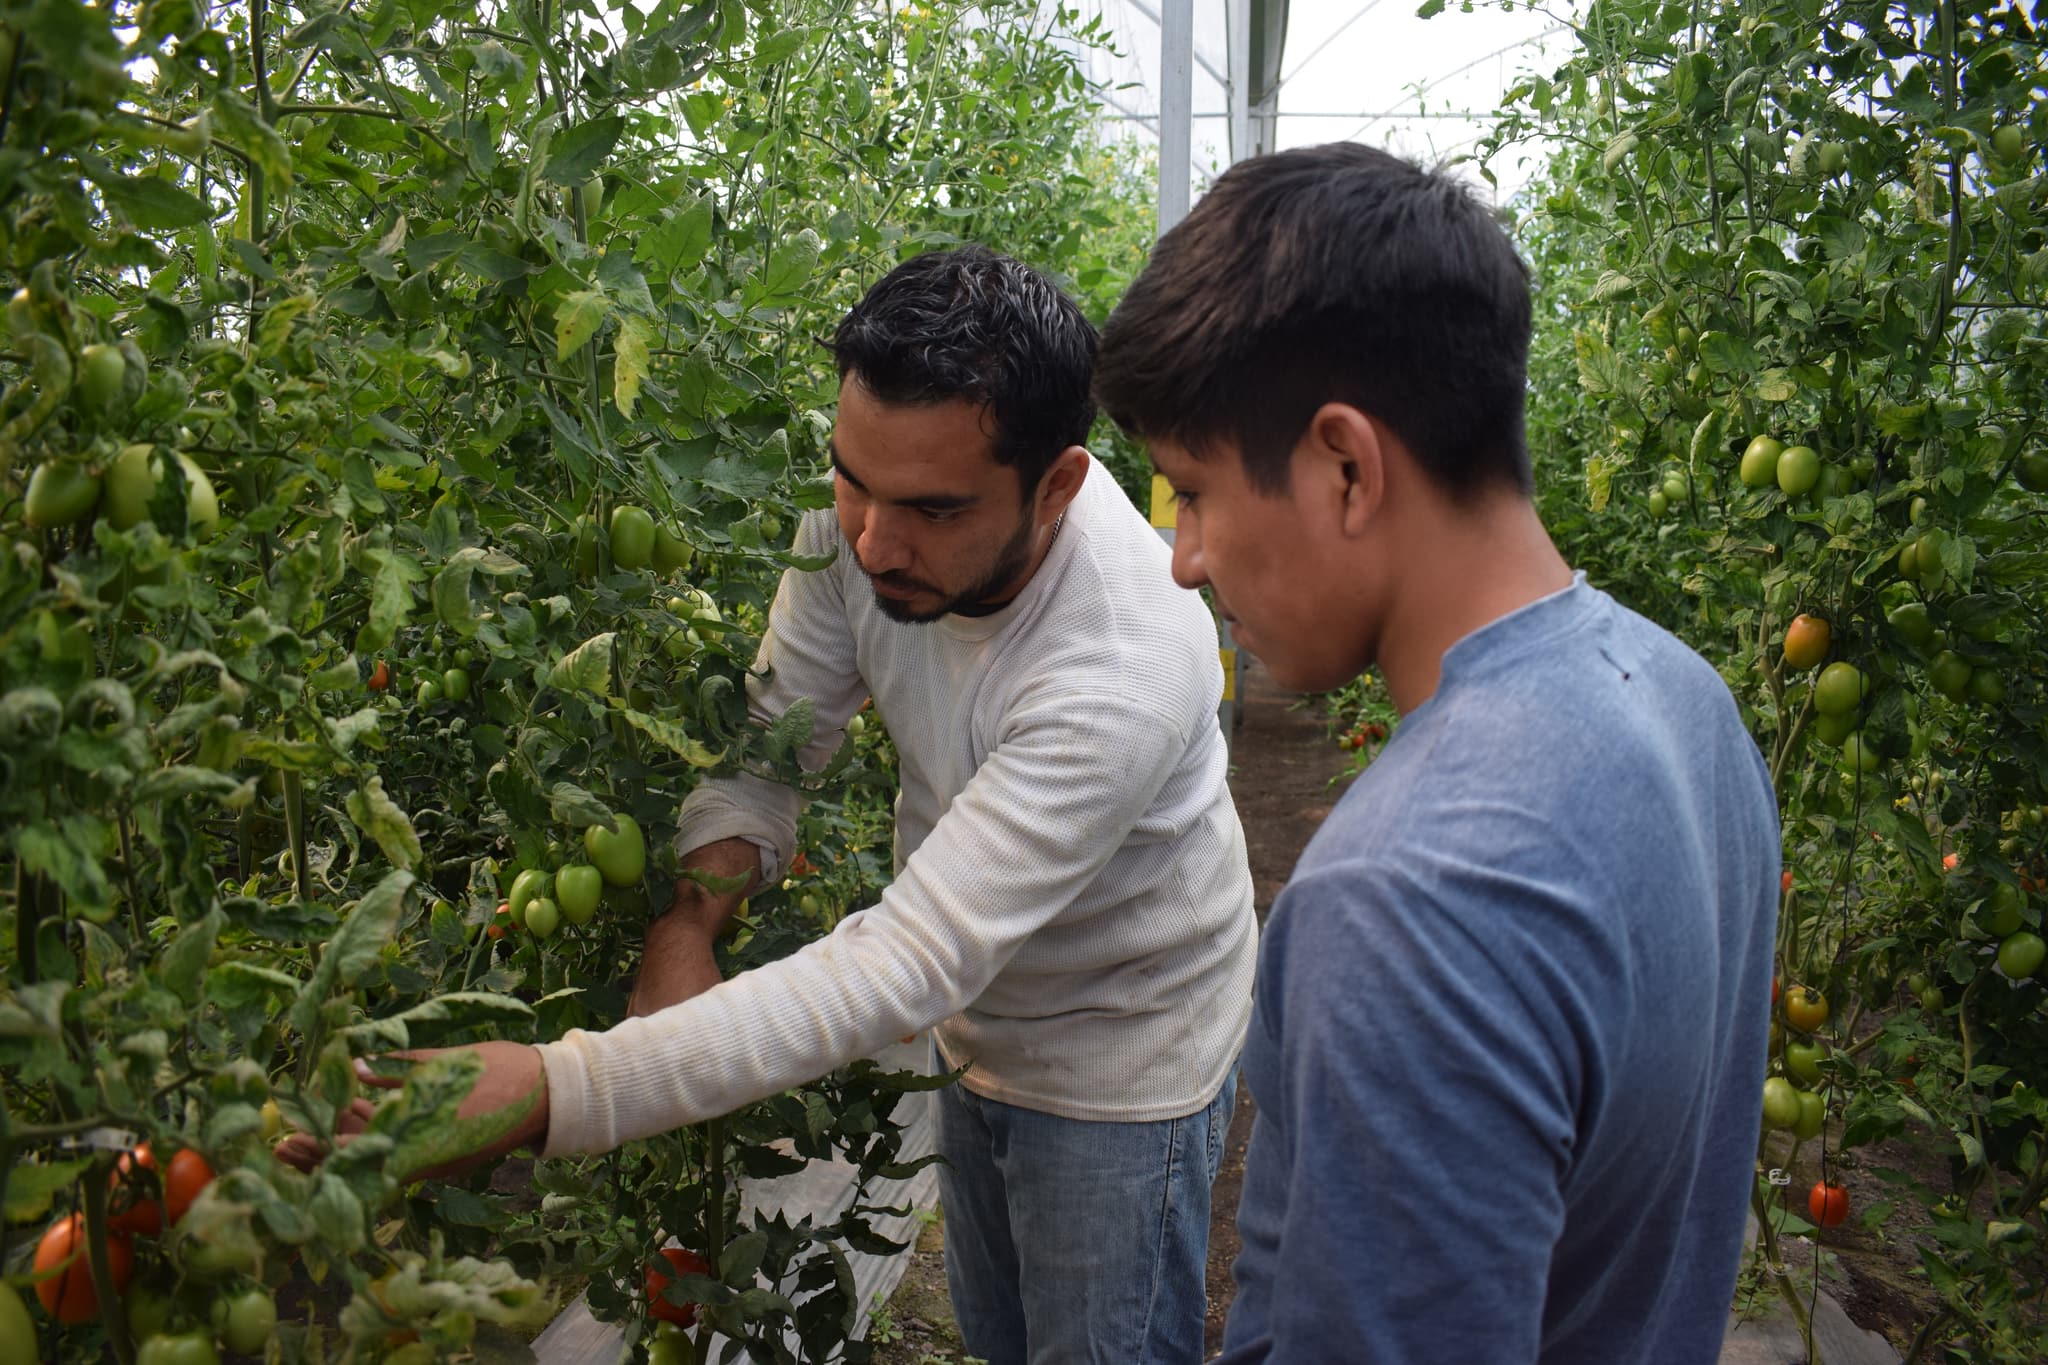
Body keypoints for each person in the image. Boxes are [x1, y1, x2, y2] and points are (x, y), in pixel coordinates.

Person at [308, 247, 1257, 1365]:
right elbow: (772, 745)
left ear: (1053, 486)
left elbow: (911, 958)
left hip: (1123, 1046)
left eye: (931, 510)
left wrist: (556, 1088)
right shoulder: (861, 514)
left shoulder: (1124, 660)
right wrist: (688, 921)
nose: (870, 542)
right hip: (978, 1031)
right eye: (853, 480)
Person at [1090, 143, 1780, 1363]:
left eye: (1190, 491)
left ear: (1344, 466)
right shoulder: (1683, 700)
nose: (1182, 558)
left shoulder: (1411, 896)